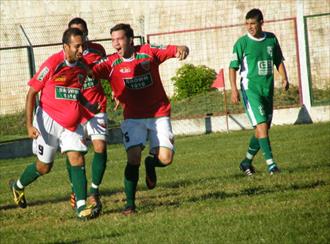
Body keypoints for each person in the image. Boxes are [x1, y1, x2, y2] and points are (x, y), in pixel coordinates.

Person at [92, 23, 189, 215]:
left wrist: (183, 50)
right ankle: (130, 205)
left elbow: (176, 49)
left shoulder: (148, 52)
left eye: (119, 39)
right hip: (133, 117)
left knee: (166, 159)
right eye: (112, 40)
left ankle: (151, 163)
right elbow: (88, 72)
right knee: (133, 157)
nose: (115, 44)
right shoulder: (110, 62)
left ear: (130, 39)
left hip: (159, 113)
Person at [9, 28, 97, 220]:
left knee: (77, 158)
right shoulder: (52, 64)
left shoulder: (82, 67)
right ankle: (18, 186)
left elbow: (75, 93)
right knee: (44, 167)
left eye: (83, 45)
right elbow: (31, 93)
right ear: (65, 47)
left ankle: (81, 207)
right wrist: (29, 126)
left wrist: (89, 105)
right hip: (47, 121)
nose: (81, 50)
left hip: (71, 124)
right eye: (77, 46)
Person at [229, 8, 289, 176]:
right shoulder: (242, 43)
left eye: (253, 23)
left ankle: (246, 162)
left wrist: (284, 78)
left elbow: (278, 60)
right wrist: (234, 89)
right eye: (247, 24)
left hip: (267, 90)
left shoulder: (271, 39)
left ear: (261, 23)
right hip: (250, 90)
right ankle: (272, 165)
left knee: (263, 129)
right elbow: (232, 68)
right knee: (261, 125)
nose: (249, 27)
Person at [67, 17, 108, 216]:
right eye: (75, 32)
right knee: (75, 152)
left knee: (100, 146)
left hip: (96, 105)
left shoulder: (98, 50)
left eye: (82, 32)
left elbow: (110, 71)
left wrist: (117, 91)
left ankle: (94, 191)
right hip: (75, 110)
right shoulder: (66, 57)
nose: (79, 37)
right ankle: (75, 190)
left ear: (86, 33)